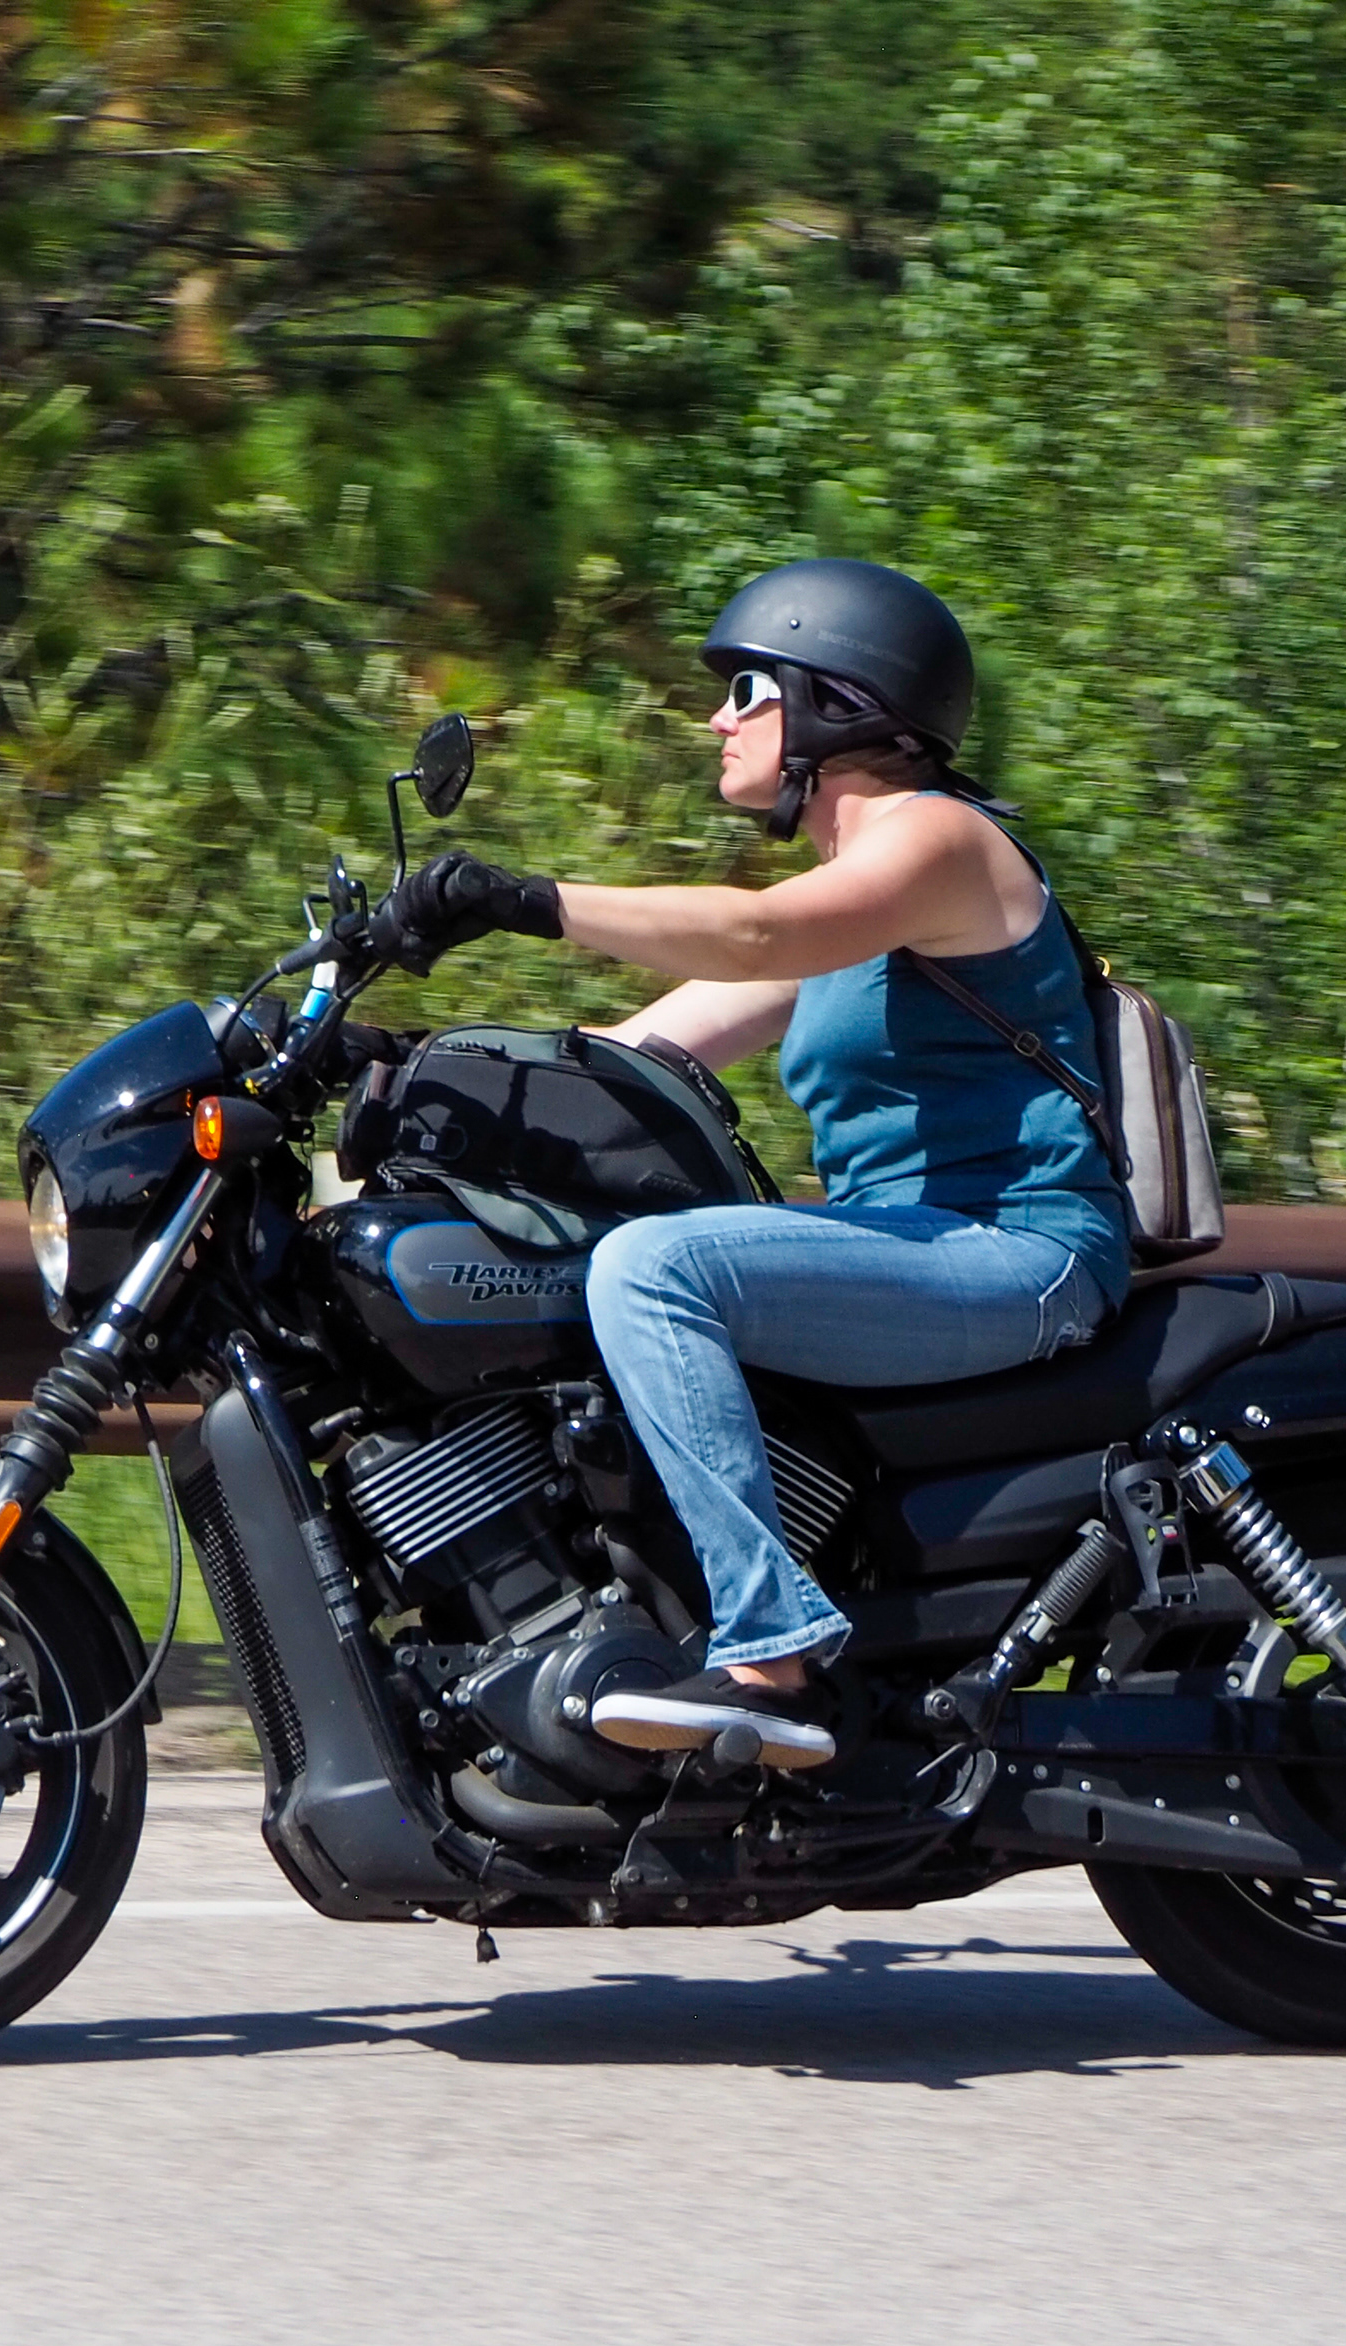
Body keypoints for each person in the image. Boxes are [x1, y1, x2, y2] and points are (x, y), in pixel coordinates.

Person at [368, 557, 1132, 1769]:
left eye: (746, 692)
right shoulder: (852, 908)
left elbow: (754, 931)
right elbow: (628, 1058)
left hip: (1020, 1248)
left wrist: (522, 900)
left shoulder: (938, 842)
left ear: (838, 699)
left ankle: (772, 1656)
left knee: (654, 1268)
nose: (717, 720)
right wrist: (403, 1073)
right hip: (918, 1248)